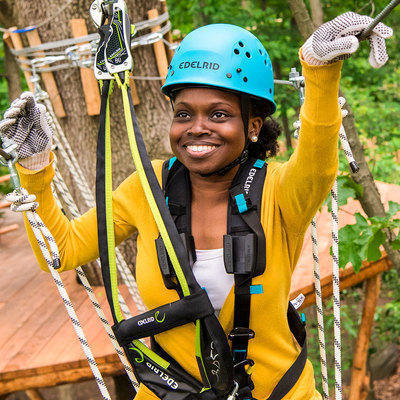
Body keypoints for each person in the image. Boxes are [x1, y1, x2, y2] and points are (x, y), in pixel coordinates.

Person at [0, 12, 393, 400]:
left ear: (253, 125)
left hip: (277, 391)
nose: (196, 127)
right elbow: (62, 249)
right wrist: (34, 165)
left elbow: (318, 164)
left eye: (219, 114)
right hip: (174, 391)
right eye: (183, 113)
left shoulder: (279, 191)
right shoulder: (148, 187)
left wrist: (320, 72)